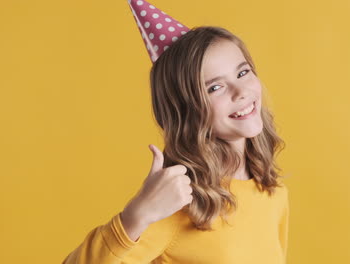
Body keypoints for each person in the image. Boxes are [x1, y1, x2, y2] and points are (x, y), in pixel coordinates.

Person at [62, 1, 289, 263]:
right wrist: (137, 215)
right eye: (215, 88)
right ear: (186, 110)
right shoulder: (182, 203)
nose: (241, 92)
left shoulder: (272, 189)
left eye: (243, 72)